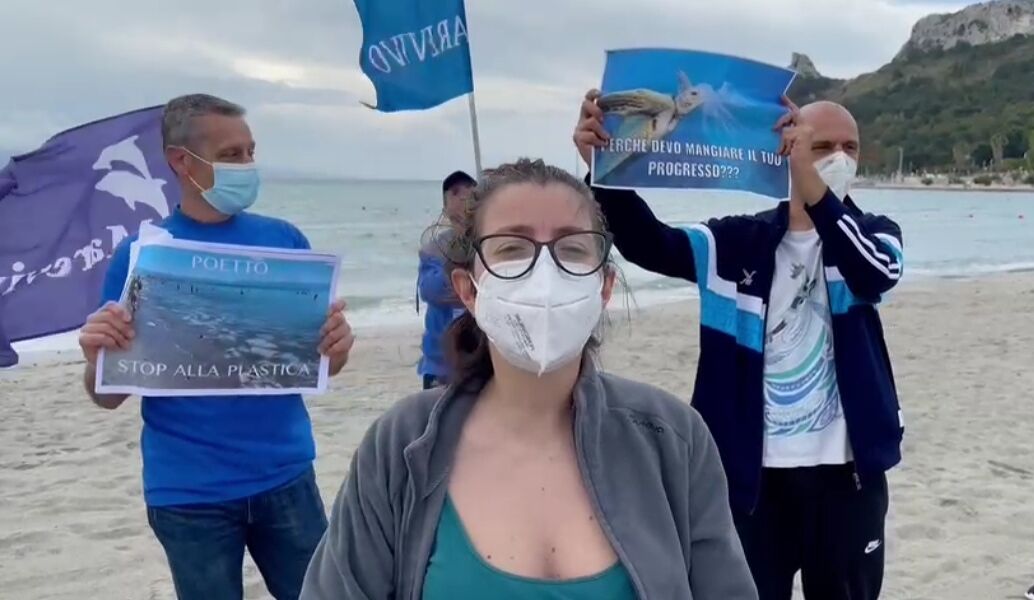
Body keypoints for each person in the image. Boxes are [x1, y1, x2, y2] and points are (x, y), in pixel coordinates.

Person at [299, 158, 758, 599]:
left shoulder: (673, 438)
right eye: (513, 249)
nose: (544, 273)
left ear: (604, 288)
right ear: (468, 290)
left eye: (572, 249)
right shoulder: (401, 444)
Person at [574, 92, 904, 600]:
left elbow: (874, 273)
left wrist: (816, 191)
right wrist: (603, 169)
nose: (839, 158)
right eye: (820, 146)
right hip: (751, 481)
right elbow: (647, 241)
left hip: (848, 480)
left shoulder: (873, 234)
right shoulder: (733, 244)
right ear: (786, 151)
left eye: (850, 147)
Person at [76, 94, 356, 600]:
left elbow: (320, 364)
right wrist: (98, 356)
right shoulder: (143, 257)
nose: (247, 166)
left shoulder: (285, 242)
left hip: (286, 476)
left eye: (250, 152)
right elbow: (108, 394)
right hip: (189, 493)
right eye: (231, 155)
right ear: (181, 161)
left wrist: (336, 347)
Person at [416, 170, 476, 389]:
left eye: (469, 192)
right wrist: (459, 263)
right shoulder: (433, 248)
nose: (462, 197)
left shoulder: (488, 243)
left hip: (480, 360)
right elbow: (429, 290)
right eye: (455, 192)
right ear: (444, 206)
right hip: (439, 365)